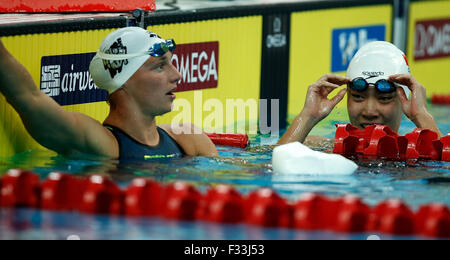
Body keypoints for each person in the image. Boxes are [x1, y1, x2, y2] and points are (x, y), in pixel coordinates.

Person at [0, 27, 218, 161]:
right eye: (160, 66)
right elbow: (27, 97)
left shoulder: (190, 139)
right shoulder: (98, 144)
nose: (177, 75)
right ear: (123, 81)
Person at [278, 41, 443, 146]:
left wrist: (422, 115)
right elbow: (271, 169)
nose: (369, 111)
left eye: (384, 98)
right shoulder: (318, 147)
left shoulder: (415, 152)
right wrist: (307, 116)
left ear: (405, 100)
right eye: (358, 96)